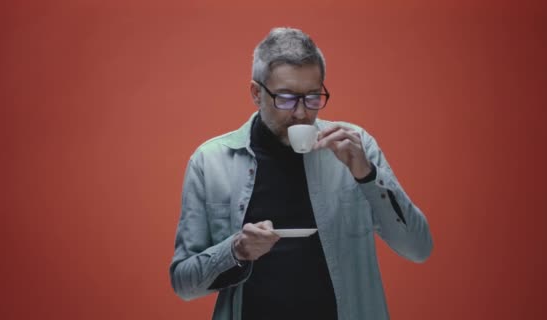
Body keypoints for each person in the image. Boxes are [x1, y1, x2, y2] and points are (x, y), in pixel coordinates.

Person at [169, 27, 433, 320]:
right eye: (285, 98)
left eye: (312, 97)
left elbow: (418, 248)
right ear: (256, 93)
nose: (301, 113)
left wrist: (367, 175)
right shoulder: (210, 162)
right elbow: (183, 284)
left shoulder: (356, 146)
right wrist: (237, 250)